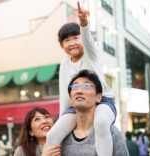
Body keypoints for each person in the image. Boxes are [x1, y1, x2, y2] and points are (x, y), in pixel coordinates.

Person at [46, 2, 116, 156]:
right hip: (76, 106)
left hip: (103, 101)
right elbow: (65, 95)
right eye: (66, 40)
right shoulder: (64, 65)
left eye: (75, 38)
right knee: (53, 134)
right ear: (61, 45)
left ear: (82, 39)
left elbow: (89, 42)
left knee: (101, 122)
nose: (72, 43)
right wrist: (63, 118)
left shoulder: (91, 55)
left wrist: (84, 24)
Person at [60, 69, 129, 155]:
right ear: (70, 99)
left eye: (86, 86)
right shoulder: (62, 137)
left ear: (99, 97)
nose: (79, 91)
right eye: (75, 87)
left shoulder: (111, 133)